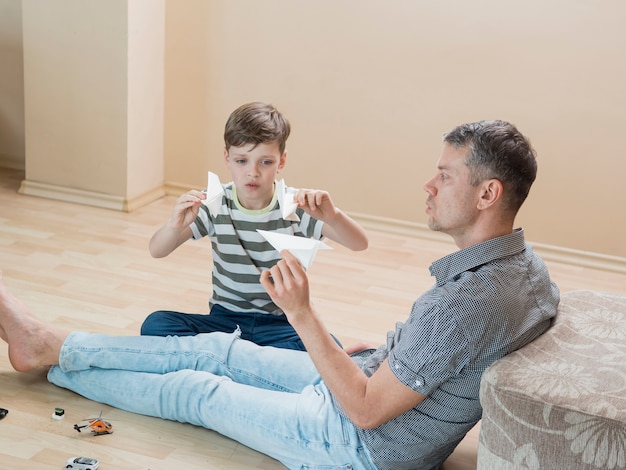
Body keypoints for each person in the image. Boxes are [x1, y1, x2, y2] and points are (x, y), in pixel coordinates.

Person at [0, 120, 559, 470]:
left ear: (488, 192)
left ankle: (55, 361)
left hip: (358, 444)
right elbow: (449, 352)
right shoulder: (527, 271)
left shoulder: (473, 300)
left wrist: (302, 313)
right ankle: (48, 343)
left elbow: (366, 414)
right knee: (216, 351)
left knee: (199, 391)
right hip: (371, 384)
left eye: (445, 176)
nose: (428, 185)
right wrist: (391, 354)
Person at [141, 101, 368, 350]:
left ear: (281, 161)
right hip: (224, 320)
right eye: (242, 161)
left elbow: (359, 243)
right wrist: (174, 226)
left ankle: (232, 359)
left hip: (281, 323)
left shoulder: (295, 205)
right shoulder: (215, 203)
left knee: (327, 347)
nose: (253, 172)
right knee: (156, 324)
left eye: (265, 162)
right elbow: (157, 250)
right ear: (227, 158)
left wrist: (333, 215)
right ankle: (249, 361)